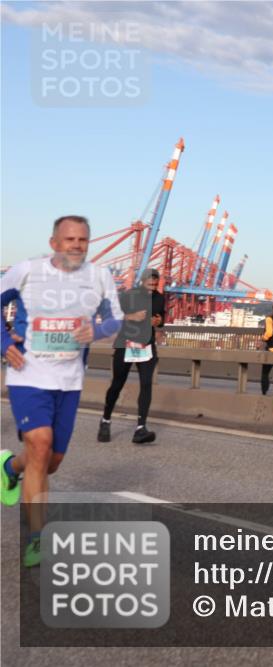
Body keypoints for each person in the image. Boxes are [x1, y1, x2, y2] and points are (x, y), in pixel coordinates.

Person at [1, 215, 124, 568]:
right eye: (69, 239)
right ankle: (37, 540)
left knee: (50, 462)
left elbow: (116, 318)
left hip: (69, 381)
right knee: (39, 443)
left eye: (83, 240)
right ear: (54, 242)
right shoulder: (26, 271)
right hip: (28, 375)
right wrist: (3, 339)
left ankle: (10, 467)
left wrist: (98, 331)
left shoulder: (100, 277)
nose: (76, 245)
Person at [98, 268, 165, 444]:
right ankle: (105, 420)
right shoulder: (129, 295)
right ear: (142, 281)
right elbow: (112, 316)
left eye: (156, 283)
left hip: (146, 346)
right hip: (126, 344)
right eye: (150, 282)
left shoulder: (159, 298)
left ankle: (140, 429)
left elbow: (162, 317)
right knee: (117, 384)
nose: (153, 286)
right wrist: (131, 316)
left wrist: (159, 321)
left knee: (146, 384)